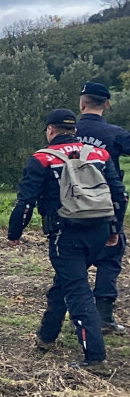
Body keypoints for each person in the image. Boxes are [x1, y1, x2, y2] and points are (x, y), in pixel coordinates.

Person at [8, 109, 123, 371]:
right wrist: (114, 228)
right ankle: (46, 337)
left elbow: (26, 203)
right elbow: (118, 193)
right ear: (74, 130)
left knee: (77, 292)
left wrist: (15, 232)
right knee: (65, 283)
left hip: (65, 234)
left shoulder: (42, 159)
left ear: (50, 130)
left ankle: (95, 357)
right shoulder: (100, 155)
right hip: (100, 229)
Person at [75, 82, 129, 334]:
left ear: (82, 103)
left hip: (71, 205)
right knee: (109, 258)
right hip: (105, 204)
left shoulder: (68, 130)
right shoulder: (115, 133)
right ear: (106, 103)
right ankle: (104, 317)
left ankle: (66, 313)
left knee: (72, 260)